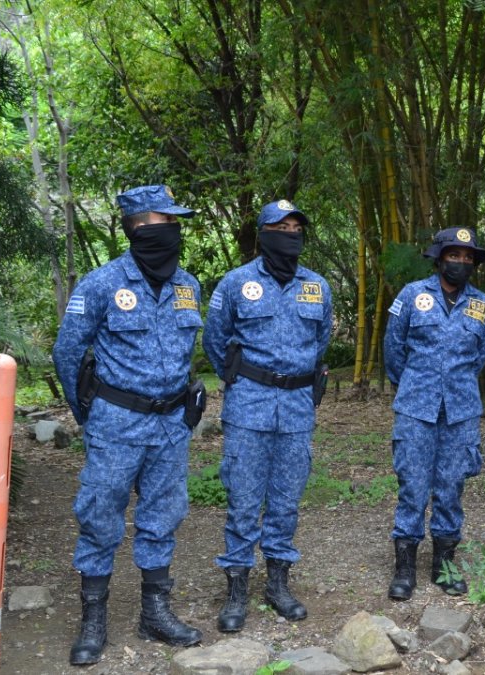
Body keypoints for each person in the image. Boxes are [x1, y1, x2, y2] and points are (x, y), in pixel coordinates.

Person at [53, 184, 204, 666]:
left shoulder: (188, 285)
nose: (174, 230)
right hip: (117, 422)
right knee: (100, 517)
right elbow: (67, 353)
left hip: (170, 426)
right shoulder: (101, 283)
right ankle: (93, 618)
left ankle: (154, 612)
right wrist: (91, 415)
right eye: (167, 220)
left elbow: (188, 353)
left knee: (163, 516)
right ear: (139, 225)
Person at [203, 199, 332, 630]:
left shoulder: (317, 286)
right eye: (281, 226)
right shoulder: (236, 282)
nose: (290, 233)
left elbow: (321, 341)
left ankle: (277, 584)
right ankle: (236, 591)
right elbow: (215, 342)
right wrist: (247, 380)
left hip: (297, 407)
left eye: (297, 227)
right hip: (249, 405)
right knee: (242, 498)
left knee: (286, 499)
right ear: (263, 233)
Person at [383, 227, 485, 601]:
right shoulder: (413, 296)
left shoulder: (482, 305)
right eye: (454, 254)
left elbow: (479, 357)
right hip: (416, 408)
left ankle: (445, 565)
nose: (460, 262)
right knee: (413, 487)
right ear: (439, 257)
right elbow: (393, 351)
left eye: (467, 256)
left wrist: (454, 385)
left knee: (451, 487)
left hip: (461, 411)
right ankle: (404, 568)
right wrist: (418, 385)